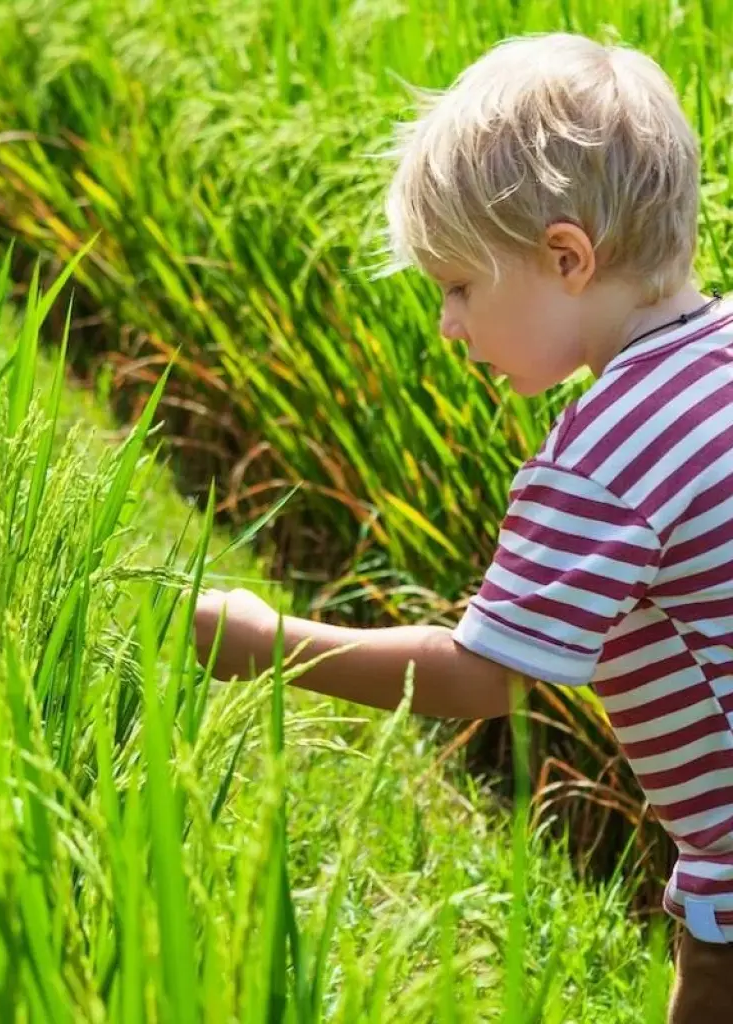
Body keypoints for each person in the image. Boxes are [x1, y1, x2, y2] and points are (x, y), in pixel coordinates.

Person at [191, 32, 733, 1023]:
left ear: (566, 257)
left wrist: (259, 644)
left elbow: (478, 675)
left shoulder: (603, 455)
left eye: (458, 287)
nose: (448, 325)